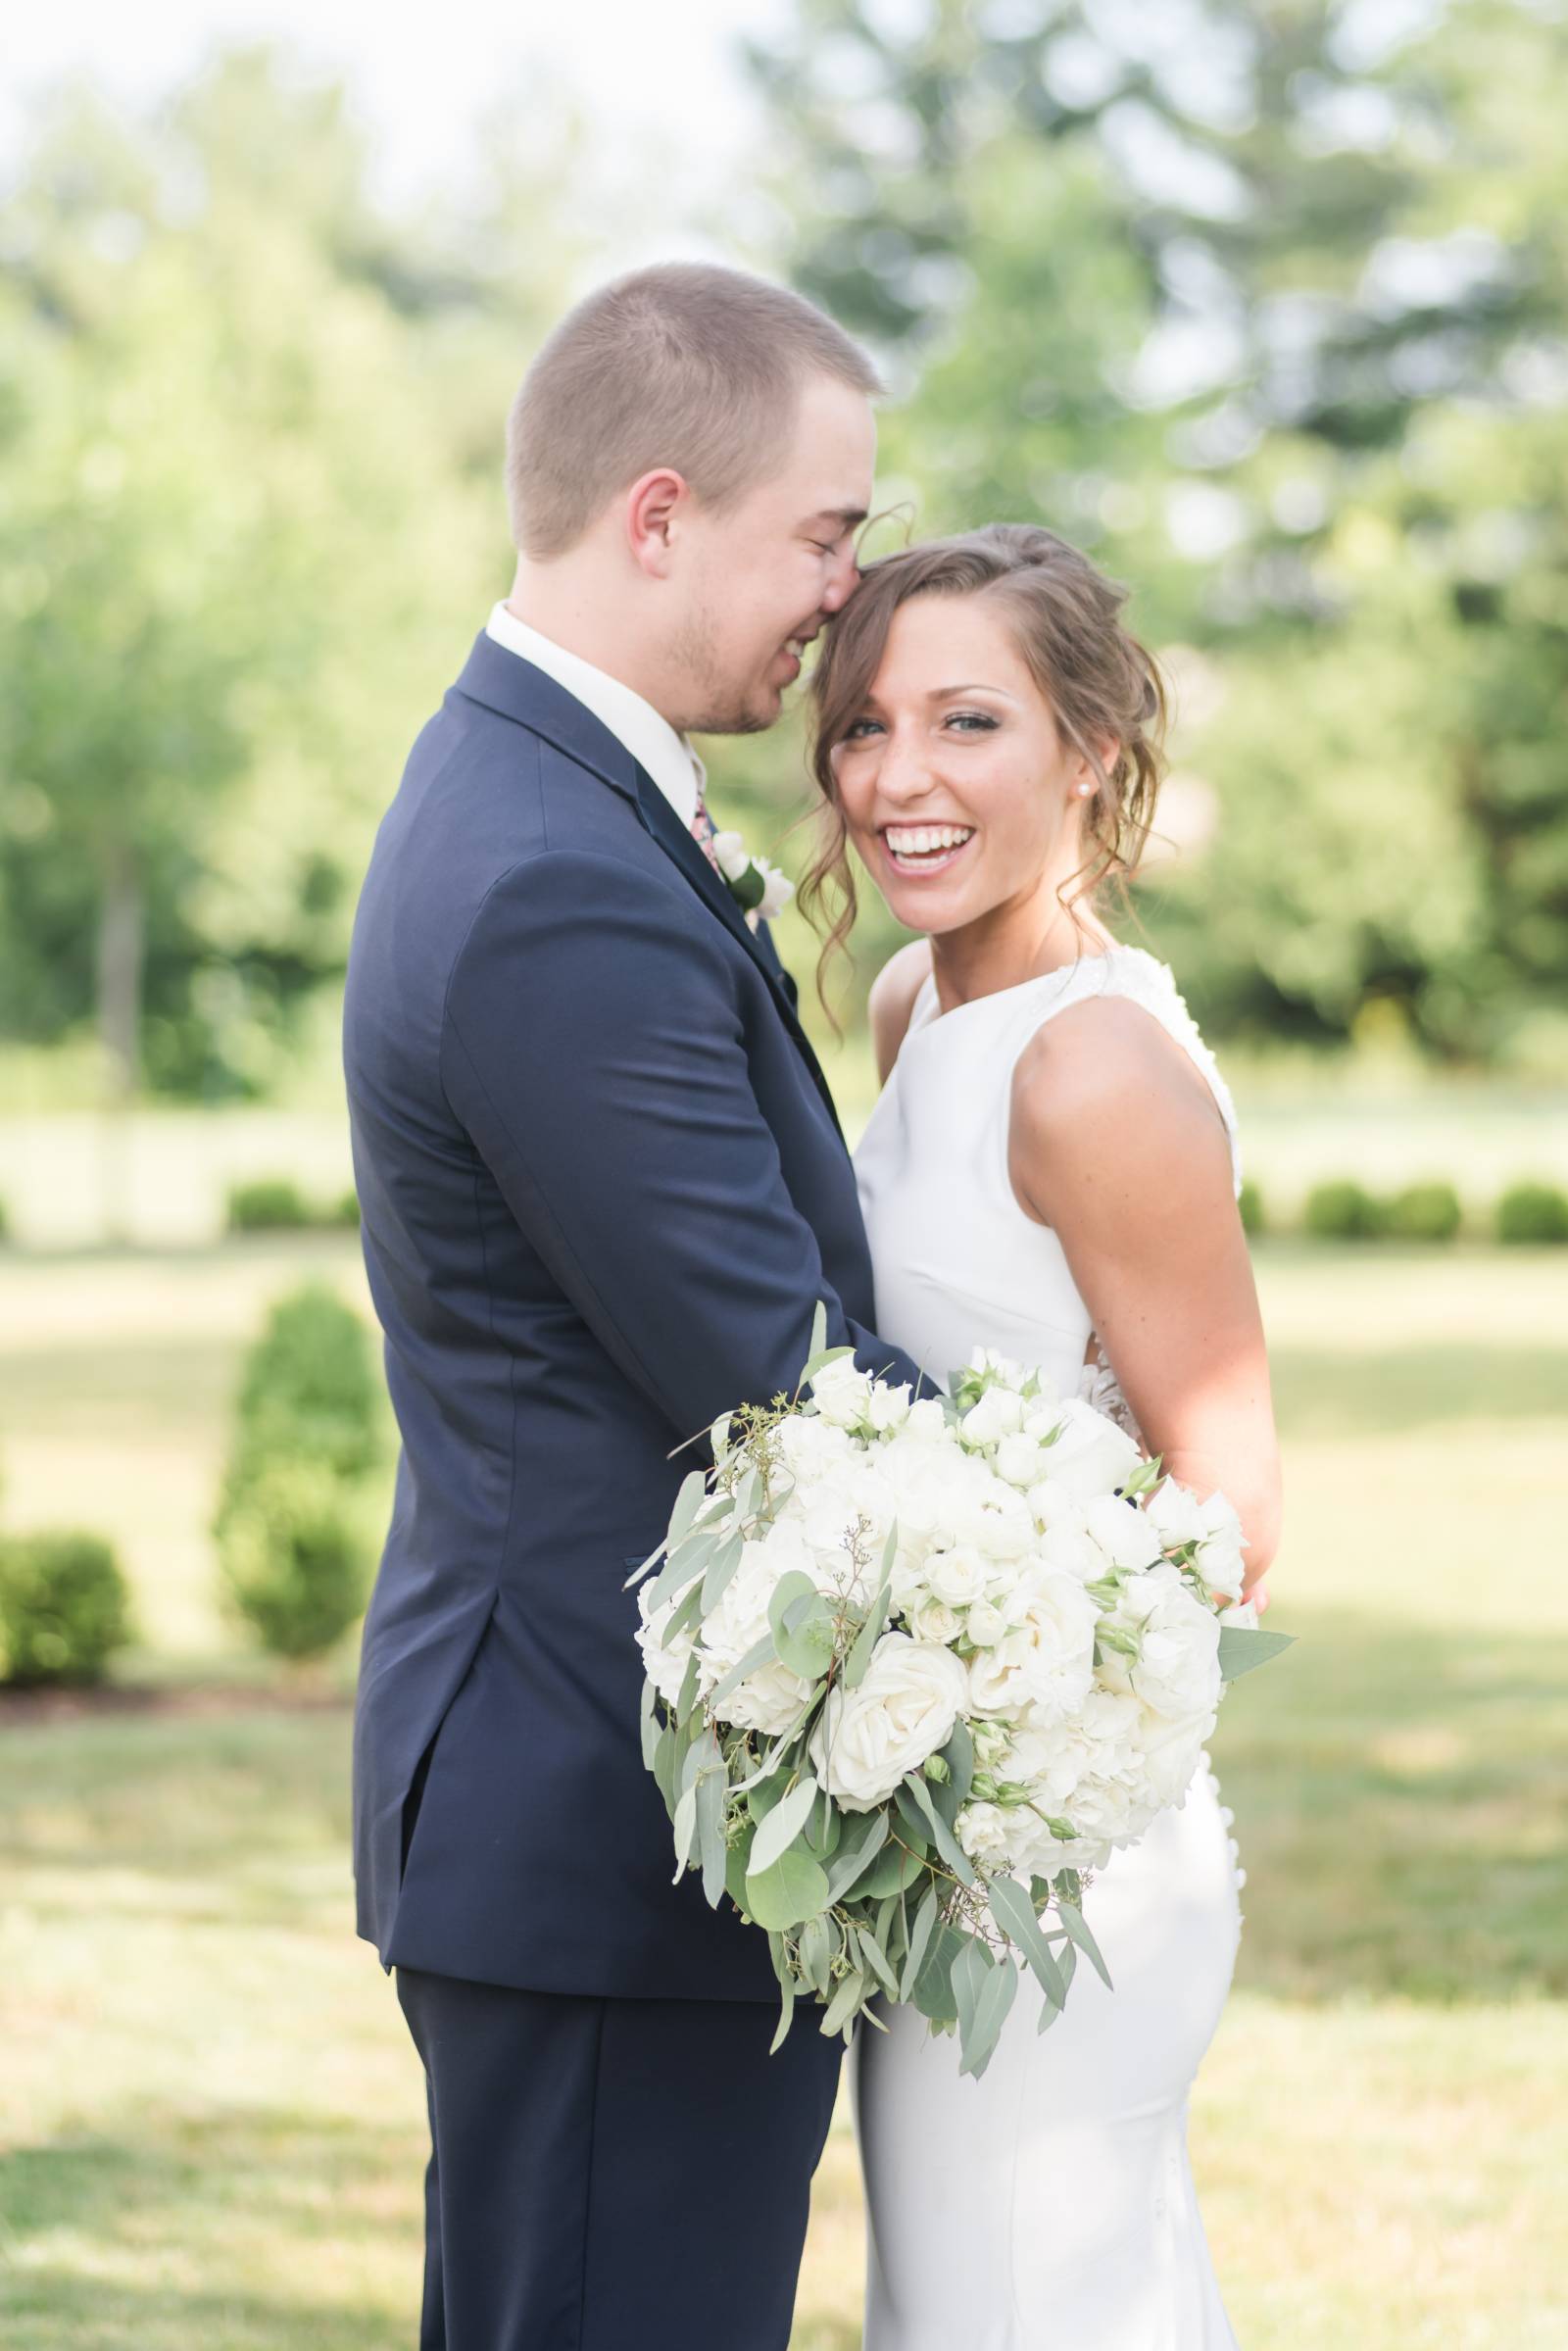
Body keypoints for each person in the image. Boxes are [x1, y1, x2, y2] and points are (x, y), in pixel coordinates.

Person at [341, 262, 927, 2351]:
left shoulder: (546, 797)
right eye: (825, 536)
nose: (841, 602)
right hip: (605, 1821)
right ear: (657, 514)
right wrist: (1085, 1527)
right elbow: (773, 1384)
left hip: (594, 1819)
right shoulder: (550, 872)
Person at [804, 523, 1283, 2350]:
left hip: (1057, 1869)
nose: (896, 777)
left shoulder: (1095, 1069)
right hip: (928, 1838)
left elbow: (1232, 1508)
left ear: (1089, 745)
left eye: (967, 721)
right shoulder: (921, 1000)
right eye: (862, 726)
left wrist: (973, 1657)